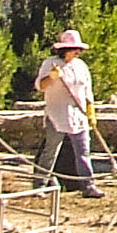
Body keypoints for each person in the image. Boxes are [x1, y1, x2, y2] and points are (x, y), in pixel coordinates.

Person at [34, 28, 104, 197]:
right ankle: (40, 185)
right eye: (75, 49)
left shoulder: (81, 66)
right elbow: (40, 87)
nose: (78, 52)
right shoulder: (50, 64)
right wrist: (51, 77)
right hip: (56, 114)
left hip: (78, 115)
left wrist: (90, 111)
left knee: (83, 151)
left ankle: (88, 185)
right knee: (51, 151)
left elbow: (87, 91)